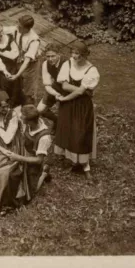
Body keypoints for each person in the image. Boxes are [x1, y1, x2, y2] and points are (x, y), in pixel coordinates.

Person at [54, 40, 100, 179]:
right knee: (68, 130)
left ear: (85, 55)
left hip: (82, 106)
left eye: (78, 54)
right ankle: (73, 161)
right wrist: (83, 91)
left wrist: (65, 98)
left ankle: (85, 165)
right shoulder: (67, 64)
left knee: (81, 132)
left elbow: (76, 92)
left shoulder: (92, 70)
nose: (74, 56)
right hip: (70, 105)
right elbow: (64, 87)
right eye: (73, 53)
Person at [1, 105, 53, 201]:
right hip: (23, 152)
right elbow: (15, 111)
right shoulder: (31, 122)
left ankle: (44, 172)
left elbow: (38, 160)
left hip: (33, 163)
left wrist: (17, 157)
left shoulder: (44, 137)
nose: (20, 116)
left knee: (28, 191)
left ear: (30, 121)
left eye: (23, 116)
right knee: (6, 170)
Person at [0, 14, 41, 105]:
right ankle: (16, 104)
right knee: (18, 86)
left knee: (29, 91)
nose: (17, 27)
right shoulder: (16, 29)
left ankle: (31, 110)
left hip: (30, 66)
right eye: (17, 24)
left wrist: (16, 75)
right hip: (19, 61)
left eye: (19, 26)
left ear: (27, 28)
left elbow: (27, 62)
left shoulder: (34, 40)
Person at [0, 21, 24, 109]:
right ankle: (1, 108)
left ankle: (14, 107)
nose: (2, 33)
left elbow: (14, 54)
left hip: (12, 67)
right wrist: (5, 71)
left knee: (14, 87)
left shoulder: (9, 37)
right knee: (0, 87)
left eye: (2, 30)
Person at [36, 43, 68, 125]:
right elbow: (47, 85)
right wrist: (56, 94)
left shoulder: (67, 63)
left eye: (53, 56)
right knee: (40, 110)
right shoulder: (45, 64)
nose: (50, 59)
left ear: (59, 54)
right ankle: (56, 121)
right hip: (56, 87)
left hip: (69, 88)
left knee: (65, 113)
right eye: (48, 56)